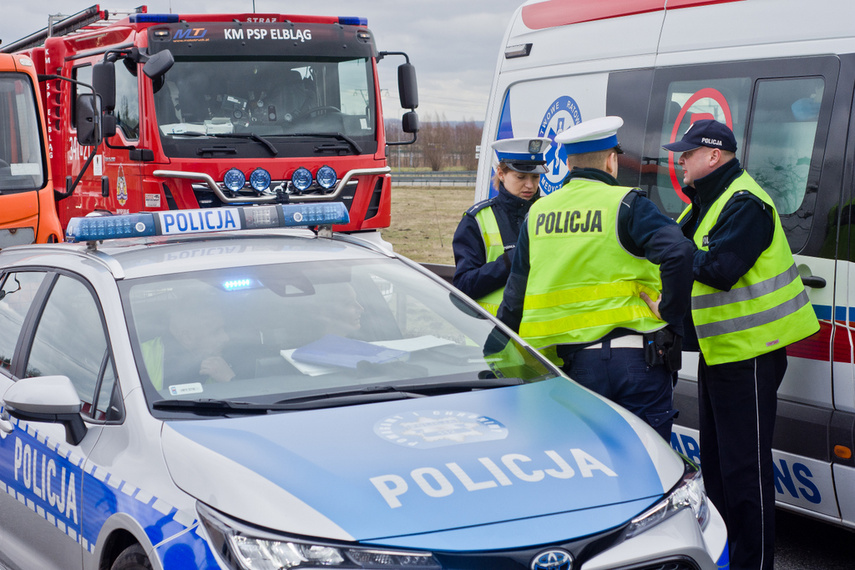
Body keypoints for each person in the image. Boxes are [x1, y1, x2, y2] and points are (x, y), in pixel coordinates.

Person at [662, 119, 819, 570]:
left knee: (745, 473)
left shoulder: (746, 202)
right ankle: (729, 560)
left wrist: (673, 248)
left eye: (687, 154)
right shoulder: (706, 202)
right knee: (719, 468)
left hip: (751, 354)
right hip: (723, 353)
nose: (680, 161)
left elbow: (721, 268)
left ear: (714, 156)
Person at [497, 116, 693, 440]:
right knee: (651, 464)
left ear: (569, 164)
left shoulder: (538, 213)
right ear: (611, 160)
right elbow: (679, 253)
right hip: (638, 363)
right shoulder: (628, 204)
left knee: (591, 464)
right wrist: (671, 312)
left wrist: (495, 357)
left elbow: (514, 297)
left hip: (576, 367)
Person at [452, 137, 550, 315]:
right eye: (520, 177)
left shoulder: (549, 213)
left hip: (541, 331)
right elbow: (463, 286)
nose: (530, 185)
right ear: (500, 173)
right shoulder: (476, 220)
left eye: (536, 177)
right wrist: (511, 260)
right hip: (493, 332)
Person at [141, 296, 236, 390]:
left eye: (224, 329)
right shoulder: (139, 357)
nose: (226, 338)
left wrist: (229, 379)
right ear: (187, 338)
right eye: (216, 332)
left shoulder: (233, 355)